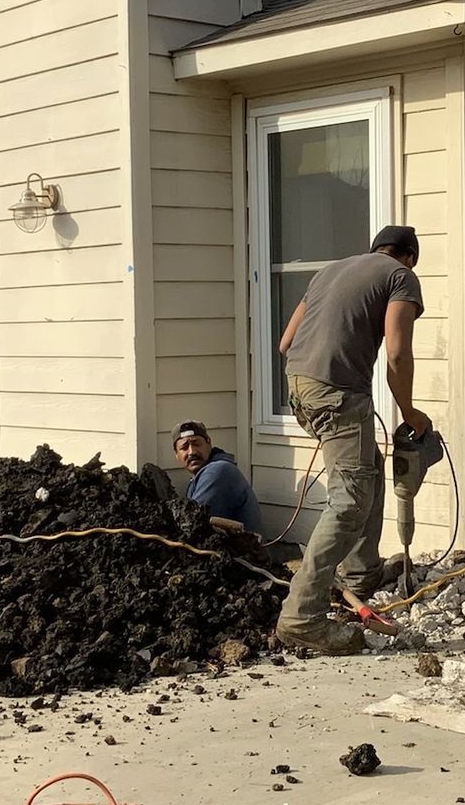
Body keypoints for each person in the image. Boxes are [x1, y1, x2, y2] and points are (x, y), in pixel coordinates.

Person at [275, 225, 429, 655]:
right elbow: (397, 353)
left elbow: (287, 342)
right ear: (409, 256)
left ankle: (362, 573)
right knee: (350, 500)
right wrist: (411, 412)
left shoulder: (331, 271)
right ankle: (301, 617)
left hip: (299, 388)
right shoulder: (401, 276)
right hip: (337, 392)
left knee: (367, 470)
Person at [172, 420, 264, 535]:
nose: (192, 451)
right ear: (176, 454)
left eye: (196, 443)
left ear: (209, 443)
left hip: (242, 552)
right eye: (184, 447)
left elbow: (193, 525)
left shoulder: (218, 472)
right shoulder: (203, 475)